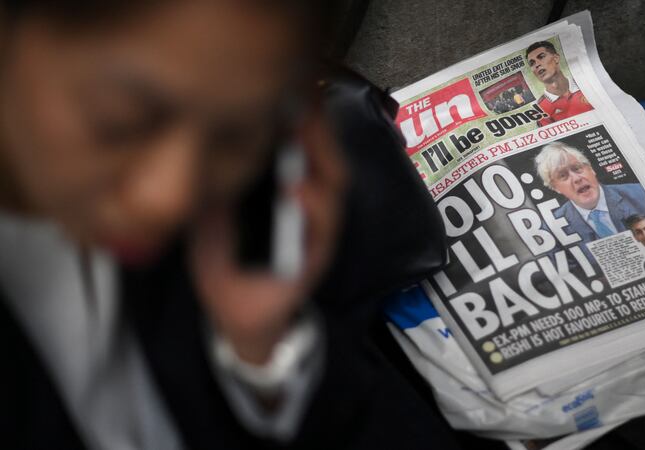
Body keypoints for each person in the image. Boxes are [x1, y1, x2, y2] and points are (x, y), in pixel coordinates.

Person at [0, 2, 465, 449]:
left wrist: (264, 355)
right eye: (120, 119)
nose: (167, 198)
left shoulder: (228, 232)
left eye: (233, 137)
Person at [535, 142, 645, 243]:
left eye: (577, 168)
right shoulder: (554, 229)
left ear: (591, 169)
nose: (577, 179)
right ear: (555, 188)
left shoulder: (641, 194)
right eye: (563, 175)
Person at [525, 40, 592, 125]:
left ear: (556, 58)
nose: (537, 64)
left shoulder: (585, 82)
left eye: (541, 57)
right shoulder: (541, 109)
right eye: (532, 63)